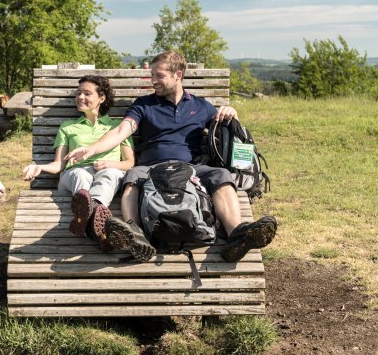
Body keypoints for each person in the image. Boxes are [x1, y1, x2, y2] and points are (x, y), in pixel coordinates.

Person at [65, 51, 277, 262]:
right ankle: (136, 236)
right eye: (152, 76)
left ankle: (236, 237)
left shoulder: (200, 106)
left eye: (159, 76)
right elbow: (121, 131)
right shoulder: (144, 104)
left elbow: (228, 128)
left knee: (221, 176)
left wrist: (231, 112)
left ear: (178, 75)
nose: (153, 81)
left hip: (190, 168)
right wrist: (92, 149)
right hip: (150, 168)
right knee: (132, 178)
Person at [23, 74, 134, 251]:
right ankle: (94, 216)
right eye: (78, 93)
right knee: (81, 174)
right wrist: (39, 167)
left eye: (87, 93)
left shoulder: (117, 127)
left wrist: (110, 164)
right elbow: (59, 164)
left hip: (107, 173)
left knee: (111, 174)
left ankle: (90, 219)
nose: (80, 97)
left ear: (102, 98)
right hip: (73, 176)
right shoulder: (68, 127)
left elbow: (129, 163)